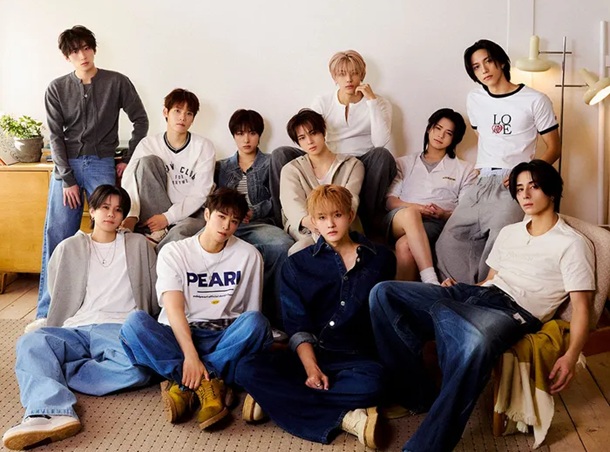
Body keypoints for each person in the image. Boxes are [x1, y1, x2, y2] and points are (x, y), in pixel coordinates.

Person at [370, 160, 594, 452]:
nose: (525, 195)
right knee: (384, 294)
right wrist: (459, 291)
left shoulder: (572, 243)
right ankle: (417, 394)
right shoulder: (510, 232)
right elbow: (490, 280)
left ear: (552, 191)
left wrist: (571, 355)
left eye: (534, 187)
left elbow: (582, 308)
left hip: (513, 312)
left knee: (474, 339)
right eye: (519, 189)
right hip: (476, 296)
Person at [235, 185, 396, 448]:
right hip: (310, 355)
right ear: (313, 221)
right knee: (246, 368)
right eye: (322, 217)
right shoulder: (297, 265)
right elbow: (297, 326)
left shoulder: (381, 259)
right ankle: (347, 419)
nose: (330, 224)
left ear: (350, 215)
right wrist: (312, 369)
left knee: (375, 385)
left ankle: (274, 399)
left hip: (357, 359)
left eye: (337, 215)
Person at [2, 185, 158, 450]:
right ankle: (49, 412)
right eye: (105, 207)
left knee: (140, 368)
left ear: (123, 217)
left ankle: (56, 372)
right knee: (31, 342)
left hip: (118, 327)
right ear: (93, 211)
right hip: (76, 327)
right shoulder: (69, 247)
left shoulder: (138, 245)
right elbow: (56, 290)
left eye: (118, 210)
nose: (111, 214)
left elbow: (155, 292)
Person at [120, 188, 272, 430]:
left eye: (234, 221)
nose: (226, 226)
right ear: (207, 214)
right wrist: (190, 355)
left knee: (257, 323)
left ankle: (184, 384)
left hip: (224, 337)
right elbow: (173, 309)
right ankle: (211, 382)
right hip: (180, 334)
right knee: (133, 325)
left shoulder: (249, 255)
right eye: (221, 217)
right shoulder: (175, 252)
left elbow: (251, 311)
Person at [32, 25, 148, 329]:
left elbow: (141, 120)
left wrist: (127, 158)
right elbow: (55, 136)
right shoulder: (56, 88)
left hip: (101, 163)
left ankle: (106, 302)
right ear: (67, 57)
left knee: (108, 230)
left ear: (94, 49)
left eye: (86, 48)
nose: (82, 55)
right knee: (58, 235)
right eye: (75, 51)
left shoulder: (117, 82)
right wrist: (67, 178)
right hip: (66, 166)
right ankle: (46, 312)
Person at [436, 39, 560, 284]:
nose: (484, 70)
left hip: (513, 182)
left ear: (501, 62)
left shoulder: (535, 99)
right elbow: (485, 137)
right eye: (476, 67)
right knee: (449, 240)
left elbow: (554, 148)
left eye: (488, 61)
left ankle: (484, 293)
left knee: (499, 244)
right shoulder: (475, 98)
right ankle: (461, 293)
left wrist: (524, 177)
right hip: (482, 180)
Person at [270, 50, 396, 234]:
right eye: (342, 74)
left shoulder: (380, 103)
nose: (349, 79)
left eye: (354, 73)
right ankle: (284, 222)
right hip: (326, 156)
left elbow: (380, 142)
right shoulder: (323, 101)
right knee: (280, 154)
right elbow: (310, 130)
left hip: (360, 161)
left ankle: (364, 224)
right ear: (334, 77)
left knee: (383, 156)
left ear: (362, 74)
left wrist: (372, 103)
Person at [215, 109, 294, 327]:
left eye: (251, 133)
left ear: (259, 135)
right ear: (233, 136)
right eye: (240, 134)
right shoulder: (221, 166)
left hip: (260, 224)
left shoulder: (271, 162)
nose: (246, 139)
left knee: (283, 246)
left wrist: (254, 211)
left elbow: (278, 198)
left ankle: (275, 317)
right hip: (229, 224)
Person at [385, 108, 476, 283]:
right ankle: (430, 279)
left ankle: (403, 297)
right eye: (438, 128)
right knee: (411, 213)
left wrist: (444, 214)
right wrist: (416, 208)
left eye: (448, 133)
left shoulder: (465, 169)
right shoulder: (404, 163)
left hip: (434, 223)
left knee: (404, 246)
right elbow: (390, 201)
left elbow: (465, 211)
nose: (440, 135)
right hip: (398, 219)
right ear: (429, 128)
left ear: (454, 139)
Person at [121, 88, 215, 249]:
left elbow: (201, 193)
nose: (182, 117)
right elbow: (129, 178)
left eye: (189, 113)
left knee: (181, 234)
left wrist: (168, 217)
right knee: (147, 162)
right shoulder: (149, 144)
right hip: (154, 214)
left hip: (191, 214)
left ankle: (154, 245)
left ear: (193, 119)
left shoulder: (204, 147)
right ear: (166, 112)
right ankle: (156, 235)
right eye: (177, 111)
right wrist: (132, 215)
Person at [280, 109, 364, 254]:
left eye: (313, 133)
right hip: (307, 229)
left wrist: (332, 225)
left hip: (343, 227)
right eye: (302, 138)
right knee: (300, 251)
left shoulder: (353, 165)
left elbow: (351, 200)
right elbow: (292, 205)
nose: (309, 141)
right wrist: (317, 226)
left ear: (323, 132)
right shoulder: (291, 169)